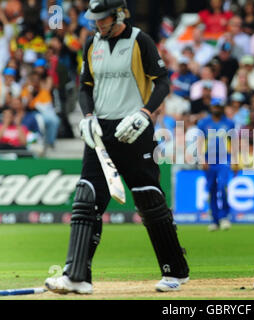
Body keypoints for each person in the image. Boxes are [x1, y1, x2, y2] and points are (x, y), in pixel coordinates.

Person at [44, 0, 189, 294]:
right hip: (101, 131)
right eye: (95, 19)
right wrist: (87, 117)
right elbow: (85, 85)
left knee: (148, 198)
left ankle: (176, 270)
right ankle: (77, 276)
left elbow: (162, 82)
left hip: (134, 128)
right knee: (87, 197)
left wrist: (145, 113)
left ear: (119, 14)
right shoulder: (91, 43)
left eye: (103, 18)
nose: (98, 24)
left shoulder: (140, 40)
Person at [197, 98, 235, 231]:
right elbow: (200, 142)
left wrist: (235, 160)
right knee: (212, 189)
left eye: (219, 106)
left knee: (222, 186)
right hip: (209, 160)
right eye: (214, 106)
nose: (216, 108)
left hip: (224, 159)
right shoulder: (204, 123)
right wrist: (202, 159)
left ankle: (224, 216)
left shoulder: (229, 123)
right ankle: (215, 220)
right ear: (211, 107)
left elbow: (233, 142)